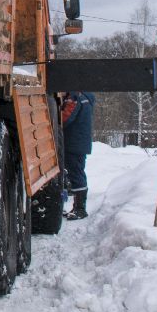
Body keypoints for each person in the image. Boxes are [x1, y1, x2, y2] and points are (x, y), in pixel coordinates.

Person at [60, 90, 94, 220]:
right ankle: (78, 207)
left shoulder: (75, 97)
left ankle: (80, 209)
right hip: (79, 142)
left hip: (73, 142)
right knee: (75, 173)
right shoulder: (86, 96)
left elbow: (66, 118)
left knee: (75, 174)